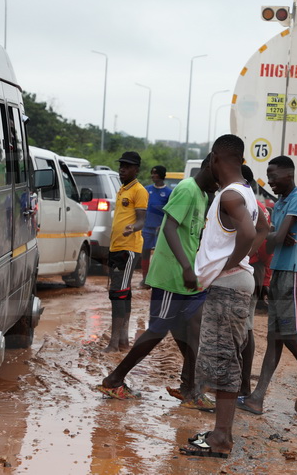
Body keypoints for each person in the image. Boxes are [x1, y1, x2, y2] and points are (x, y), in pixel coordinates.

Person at [97, 156, 218, 405]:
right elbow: (169, 228)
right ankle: (114, 379)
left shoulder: (205, 196)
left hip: (188, 276)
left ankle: (190, 387)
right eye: (219, 179)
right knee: (158, 329)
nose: (220, 185)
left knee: (190, 329)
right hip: (172, 274)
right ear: (210, 167)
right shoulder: (186, 189)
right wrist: (186, 266)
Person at [179, 134, 262, 459]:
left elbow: (250, 233)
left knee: (225, 362)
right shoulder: (247, 193)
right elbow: (264, 228)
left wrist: (225, 267)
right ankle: (220, 433)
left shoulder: (229, 195)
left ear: (215, 158)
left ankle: (221, 440)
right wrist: (239, 262)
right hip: (234, 285)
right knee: (224, 359)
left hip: (228, 287)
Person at [236, 155, 297, 420]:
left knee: (289, 337)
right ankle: (257, 397)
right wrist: (273, 237)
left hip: (294, 274)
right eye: (268, 177)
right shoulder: (280, 203)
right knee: (274, 339)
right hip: (279, 273)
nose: (270, 182)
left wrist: (272, 237)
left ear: (288, 176)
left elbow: (275, 238)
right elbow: (274, 238)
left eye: (274, 177)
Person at [105, 151, 148, 353]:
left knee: (119, 294)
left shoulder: (139, 191)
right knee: (123, 292)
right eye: (121, 165)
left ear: (136, 170)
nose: (122, 169)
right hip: (117, 247)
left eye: (127, 166)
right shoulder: (123, 189)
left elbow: (141, 219)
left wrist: (133, 227)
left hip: (128, 249)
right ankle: (122, 340)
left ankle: (114, 343)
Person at [239, 164, 272, 397]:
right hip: (251, 269)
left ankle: (242, 385)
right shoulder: (257, 207)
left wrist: (266, 281)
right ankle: (241, 384)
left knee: (244, 328)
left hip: (248, 269)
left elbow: (266, 246)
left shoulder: (252, 208)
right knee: (243, 327)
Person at [141, 165, 173, 287]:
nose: (152, 176)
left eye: (155, 173)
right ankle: (145, 279)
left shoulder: (169, 193)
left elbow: (170, 211)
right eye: (152, 173)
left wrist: (163, 225)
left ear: (161, 175)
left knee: (159, 254)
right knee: (145, 251)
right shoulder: (146, 189)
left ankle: (157, 279)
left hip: (160, 228)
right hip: (147, 227)